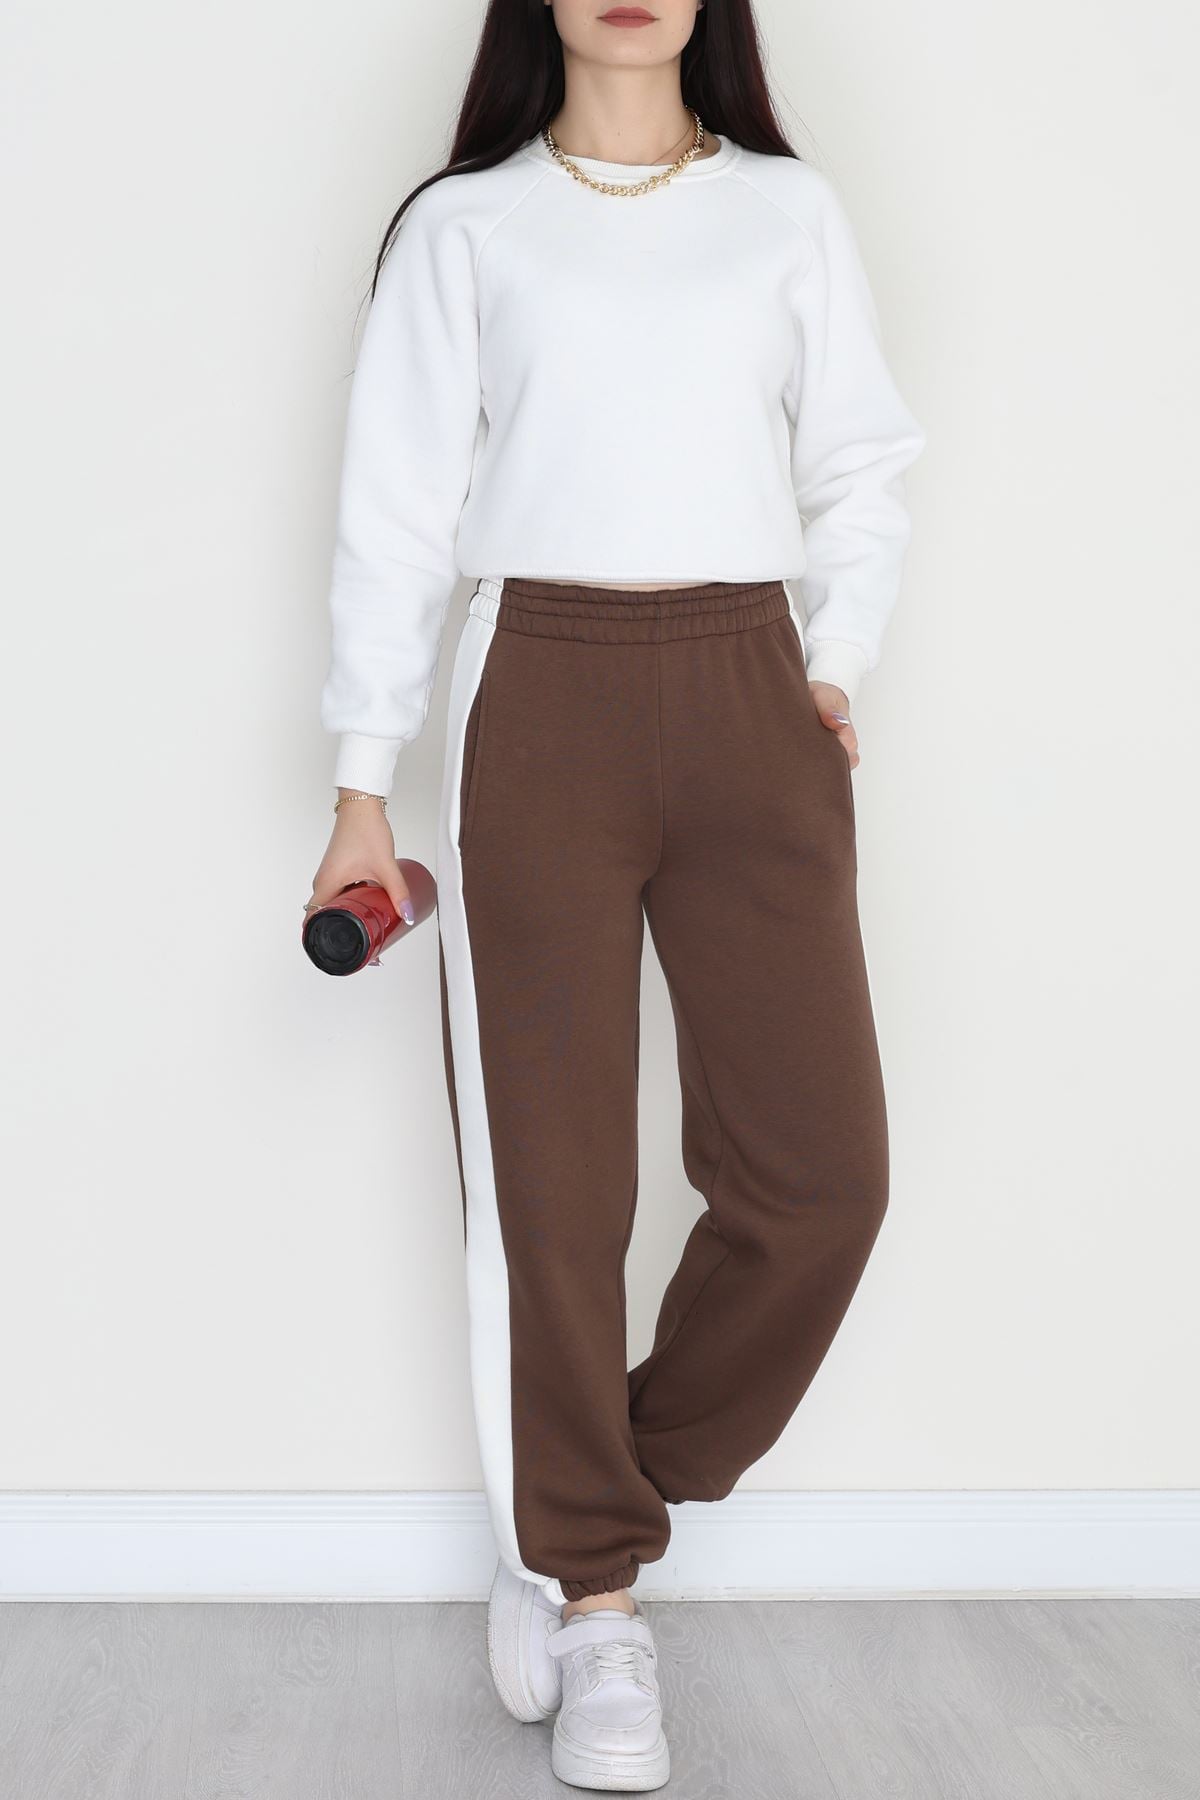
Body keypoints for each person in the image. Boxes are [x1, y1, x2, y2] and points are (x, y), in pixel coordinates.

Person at [307, 0, 925, 1788]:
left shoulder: (788, 214)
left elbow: (863, 462)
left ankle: (592, 1492)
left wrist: (832, 665)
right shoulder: (466, 226)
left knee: (820, 1181)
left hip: (753, 684)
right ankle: (593, 1603)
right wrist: (363, 783)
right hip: (538, 696)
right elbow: (394, 509)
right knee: (553, 1189)